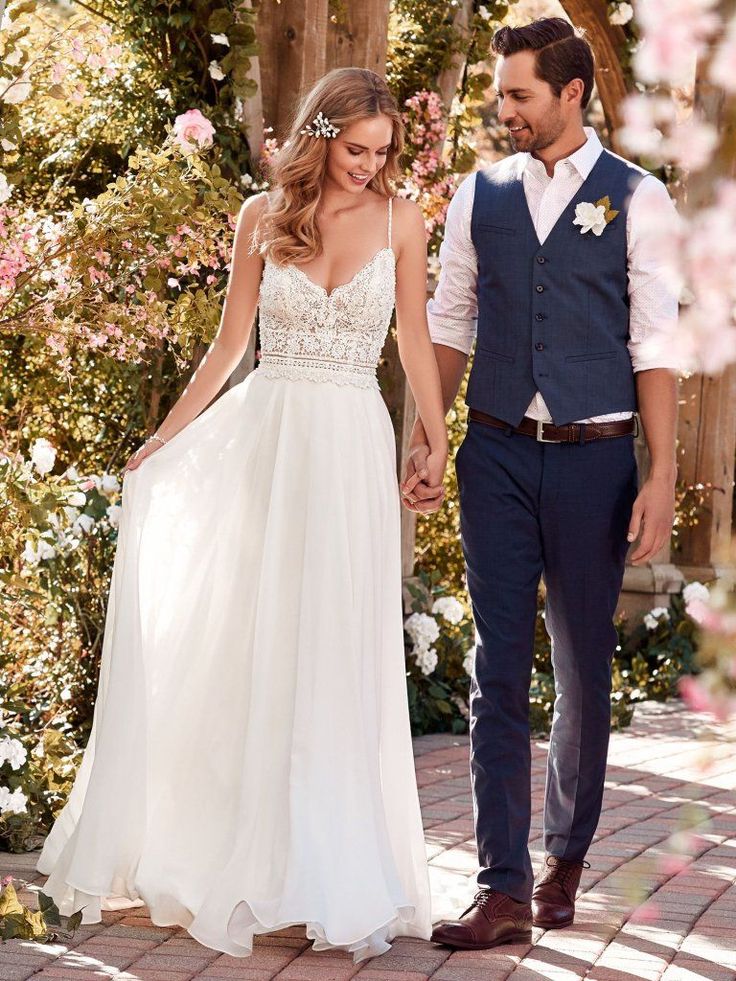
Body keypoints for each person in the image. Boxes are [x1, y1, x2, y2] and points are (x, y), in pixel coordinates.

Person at [36, 66, 448, 963]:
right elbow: (231, 346)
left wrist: (435, 437)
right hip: (270, 442)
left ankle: (327, 871)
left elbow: (414, 334)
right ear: (321, 133)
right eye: (355, 150)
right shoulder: (261, 218)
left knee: (337, 650)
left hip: (347, 446)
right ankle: (252, 859)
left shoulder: (400, 219)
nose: (367, 168)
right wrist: (162, 440)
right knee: (260, 644)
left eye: (382, 154)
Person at [402, 18, 680, 949]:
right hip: (496, 454)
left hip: (597, 457)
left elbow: (656, 346)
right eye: (501, 92)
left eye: (519, 93)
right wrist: (430, 436)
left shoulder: (639, 200)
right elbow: (449, 318)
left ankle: (565, 860)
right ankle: (503, 884)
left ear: (571, 92)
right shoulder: (477, 196)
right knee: (496, 666)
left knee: (581, 666)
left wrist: (662, 472)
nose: (503, 109)